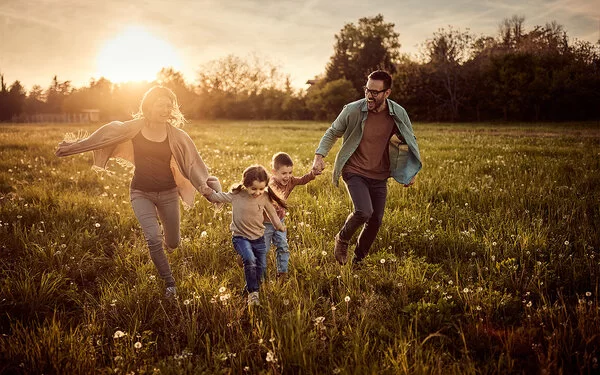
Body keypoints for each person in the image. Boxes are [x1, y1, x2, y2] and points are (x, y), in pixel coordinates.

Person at [55, 86, 221, 298]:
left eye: (169, 105)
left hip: (168, 194)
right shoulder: (133, 128)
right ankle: (169, 282)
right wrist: (73, 147)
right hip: (140, 192)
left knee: (173, 242)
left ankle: (167, 249)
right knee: (153, 237)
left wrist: (206, 189)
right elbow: (104, 136)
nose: (165, 109)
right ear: (148, 106)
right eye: (161, 105)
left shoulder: (178, 136)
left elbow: (193, 165)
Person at [311, 70, 422, 267]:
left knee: (376, 220)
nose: (369, 95)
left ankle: (358, 261)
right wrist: (319, 156)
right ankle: (342, 239)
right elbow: (332, 132)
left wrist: (410, 171)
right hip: (354, 170)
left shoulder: (398, 113)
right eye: (367, 90)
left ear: (387, 93)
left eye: (375, 92)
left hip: (379, 174)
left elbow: (409, 140)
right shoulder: (353, 110)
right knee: (364, 211)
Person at [202, 165, 286, 307]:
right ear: (245, 184)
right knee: (249, 259)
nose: (257, 192)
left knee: (261, 268)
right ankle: (253, 294)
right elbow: (217, 197)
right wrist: (206, 191)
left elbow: (272, 213)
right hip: (240, 237)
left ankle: (248, 289)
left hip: (259, 239)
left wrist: (279, 226)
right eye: (253, 189)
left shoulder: (264, 197)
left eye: (261, 188)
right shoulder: (236, 195)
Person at [263, 152, 317, 280]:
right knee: (263, 251)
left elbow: (302, 180)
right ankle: (261, 277)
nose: (287, 176)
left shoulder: (291, 181)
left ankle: (282, 273)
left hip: (280, 221)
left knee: (283, 246)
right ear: (274, 172)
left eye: (290, 172)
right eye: (284, 173)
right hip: (265, 223)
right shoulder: (269, 185)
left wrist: (313, 174)